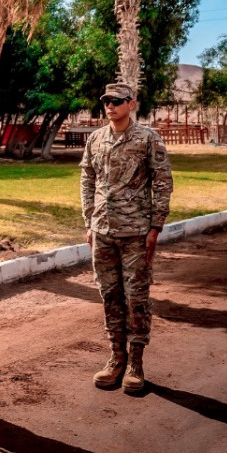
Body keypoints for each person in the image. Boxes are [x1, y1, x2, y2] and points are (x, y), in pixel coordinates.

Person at [80, 83, 173, 394]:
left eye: (117, 101)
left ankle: (136, 362)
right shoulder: (95, 139)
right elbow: (87, 179)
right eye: (107, 101)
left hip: (135, 232)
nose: (111, 106)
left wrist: (155, 226)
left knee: (136, 298)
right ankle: (115, 358)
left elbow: (162, 182)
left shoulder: (148, 139)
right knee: (110, 296)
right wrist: (89, 221)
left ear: (132, 103)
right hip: (103, 231)